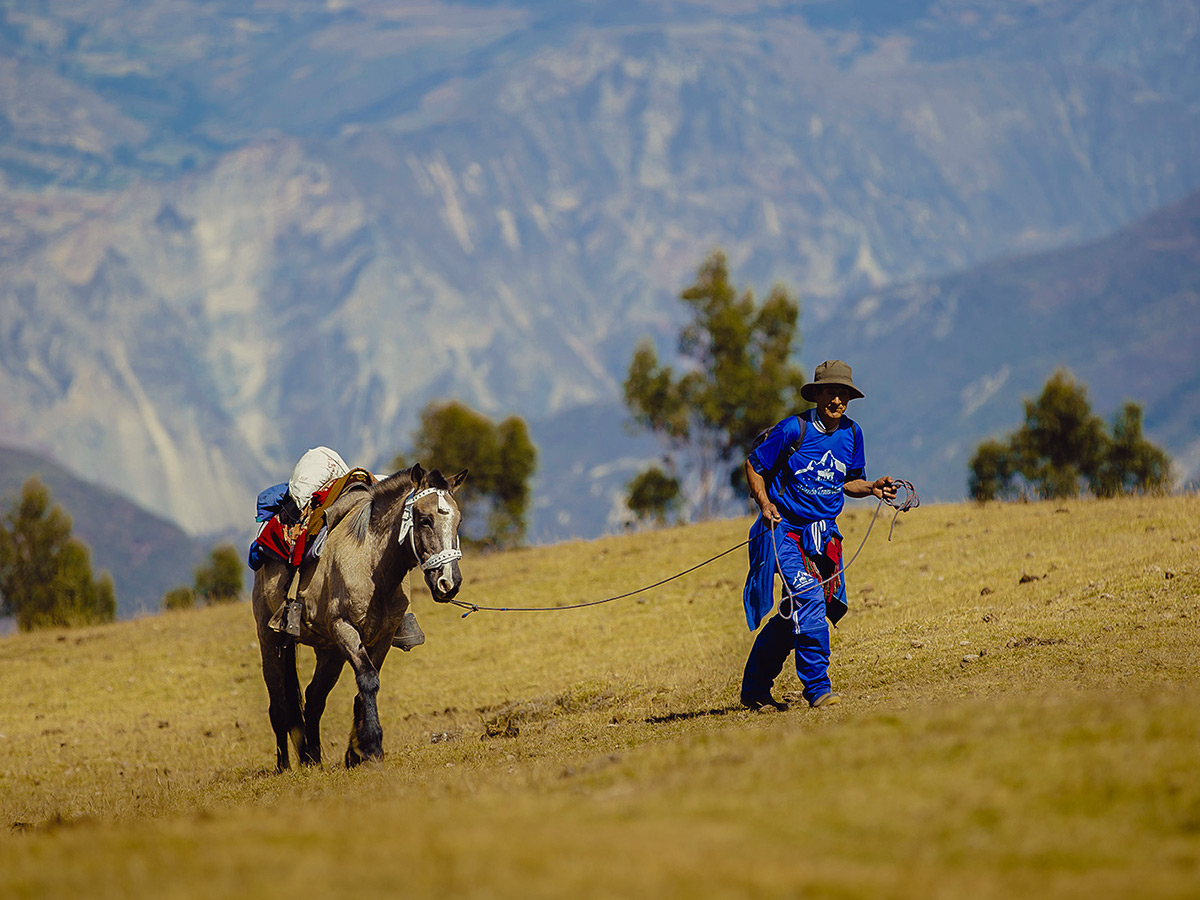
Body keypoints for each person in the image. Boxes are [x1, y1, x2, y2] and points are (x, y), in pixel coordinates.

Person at [740, 359, 896, 710]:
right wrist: (764, 503)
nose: (837, 400)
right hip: (783, 531)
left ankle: (754, 690)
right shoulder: (792, 430)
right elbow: (754, 464)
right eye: (831, 392)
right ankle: (818, 690)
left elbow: (848, 481)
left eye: (843, 394)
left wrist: (872, 488)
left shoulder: (853, 435)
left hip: (824, 537)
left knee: (794, 612)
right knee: (808, 597)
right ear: (817, 395)